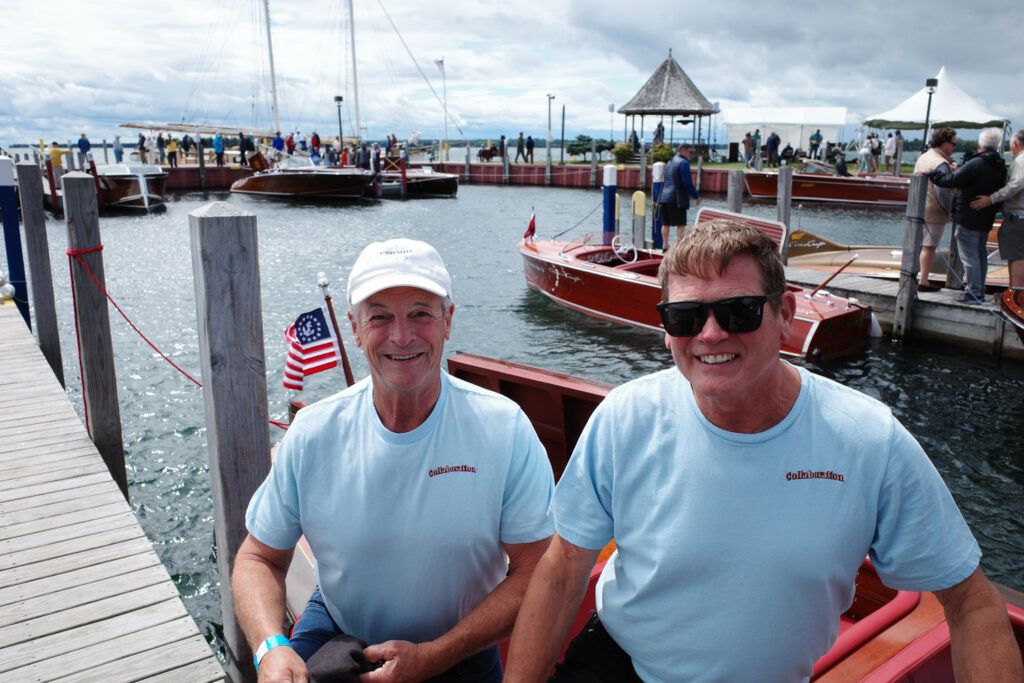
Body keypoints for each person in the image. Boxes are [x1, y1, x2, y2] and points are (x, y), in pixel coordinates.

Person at [504, 220, 1023, 682]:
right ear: (666, 331)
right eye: (685, 317)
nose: (709, 334)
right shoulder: (626, 417)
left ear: (786, 314)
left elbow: (972, 603)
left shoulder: (868, 440)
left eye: (739, 311)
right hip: (618, 665)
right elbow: (564, 565)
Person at [233, 238, 555, 682]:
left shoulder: (504, 428)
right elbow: (258, 558)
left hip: (460, 646)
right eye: (380, 316)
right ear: (355, 328)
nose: (402, 336)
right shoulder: (313, 433)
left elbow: (537, 568)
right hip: (338, 630)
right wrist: (270, 647)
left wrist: (436, 655)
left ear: (448, 321)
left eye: (421, 313)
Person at [929, 127, 1007, 303]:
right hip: (985, 216)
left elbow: (950, 181)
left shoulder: (976, 163)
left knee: (969, 256)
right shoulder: (999, 165)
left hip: (968, 216)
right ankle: (979, 288)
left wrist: (932, 173)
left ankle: (973, 291)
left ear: (980, 144)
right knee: (980, 253)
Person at [971, 128, 1024, 289]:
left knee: (1018, 257)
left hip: (1019, 217)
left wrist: (991, 199)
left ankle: (1016, 296)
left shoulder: (1021, 161)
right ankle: (1012, 293)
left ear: (1015, 143)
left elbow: (1016, 184)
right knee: (1016, 256)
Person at [912, 126, 957, 292]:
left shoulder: (924, 157)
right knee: (929, 247)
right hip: (934, 210)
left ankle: (913, 277)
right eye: (953, 144)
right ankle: (923, 281)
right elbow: (943, 192)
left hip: (918, 208)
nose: (954, 148)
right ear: (944, 144)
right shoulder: (941, 163)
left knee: (918, 245)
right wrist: (952, 210)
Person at [658, 144, 701, 250]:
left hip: (664, 197)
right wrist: (696, 196)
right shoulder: (684, 163)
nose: (691, 154)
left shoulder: (669, 162)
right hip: (677, 198)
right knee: (681, 224)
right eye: (690, 152)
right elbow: (687, 183)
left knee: (666, 223)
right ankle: (678, 248)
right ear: (682, 150)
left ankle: (665, 245)